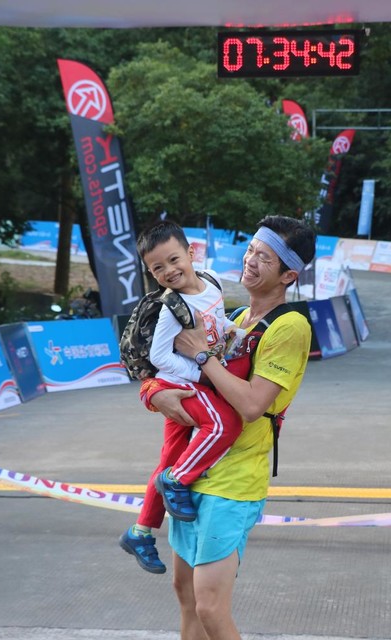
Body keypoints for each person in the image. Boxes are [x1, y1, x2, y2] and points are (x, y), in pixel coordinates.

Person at [144, 215, 316, 640]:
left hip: (234, 482)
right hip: (191, 474)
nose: (251, 261)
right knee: (185, 593)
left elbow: (253, 405)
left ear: (289, 275)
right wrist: (151, 392)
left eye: (265, 258)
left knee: (210, 606)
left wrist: (204, 356)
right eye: (251, 250)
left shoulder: (290, 327)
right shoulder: (235, 316)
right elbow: (175, 374)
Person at [119, 221, 243, 575]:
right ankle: (179, 480)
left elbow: (216, 321)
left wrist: (232, 332)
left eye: (174, 260)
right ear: (150, 273)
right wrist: (201, 373)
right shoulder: (172, 308)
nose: (169, 271)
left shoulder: (212, 280)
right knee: (223, 424)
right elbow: (159, 357)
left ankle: (140, 532)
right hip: (181, 384)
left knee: (170, 457)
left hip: (193, 378)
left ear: (191, 253)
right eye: (158, 268)